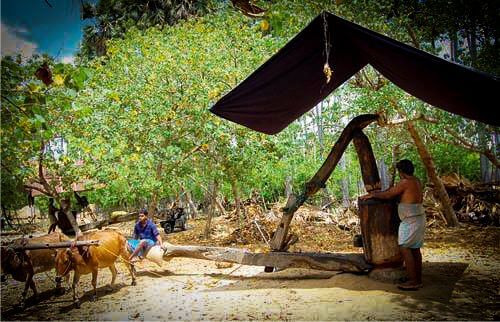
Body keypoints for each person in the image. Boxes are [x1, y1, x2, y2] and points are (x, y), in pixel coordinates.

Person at [360, 159, 425, 290]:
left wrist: (373, 195)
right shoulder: (416, 181)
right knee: (415, 249)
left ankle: (413, 281)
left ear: (401, 172)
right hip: (418, 218)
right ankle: (417, 278)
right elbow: (397, 193)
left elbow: (388, 195)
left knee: (405, 247)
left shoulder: (405, 182)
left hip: (410, 220)